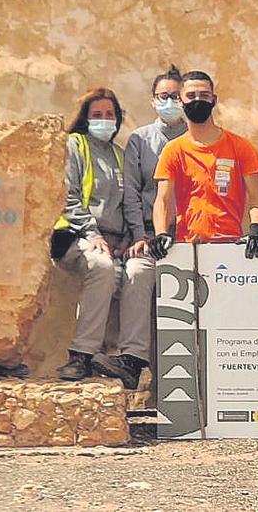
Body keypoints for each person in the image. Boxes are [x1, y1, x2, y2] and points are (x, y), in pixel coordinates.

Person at [88, 66, 188, 389]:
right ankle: (132, 360)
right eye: (164, 96)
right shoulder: (140, 141)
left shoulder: (195, 138)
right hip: (147, 233)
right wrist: (141, 235)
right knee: (136, 272)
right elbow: (131, 194)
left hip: (187, 236)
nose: (170, 102)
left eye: (176, 96)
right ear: (153, 99)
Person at [53, 88, 135, 384]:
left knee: (137, 275)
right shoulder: (74, 145)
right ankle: (81, 356)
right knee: (101, 267)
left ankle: (125, 361)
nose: (104, 120)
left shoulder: (120, 155)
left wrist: (128, 237)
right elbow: (67, 194)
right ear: (85, 118)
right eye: (97, 115)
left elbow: (129, 203)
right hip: (77, 235)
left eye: (109, 115)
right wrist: (93, 232)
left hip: (115, 239)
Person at [148, 70, 258, 261]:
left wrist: (256, 229)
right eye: (191, 96)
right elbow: (163, 199)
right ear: (180, 101)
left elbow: (257, 198)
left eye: (204, 95)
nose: (198, 100)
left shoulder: (240, 146)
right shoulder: (173, 150)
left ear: (214, 99)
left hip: (230, 247)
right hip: (187, 247)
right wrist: (161, 233)